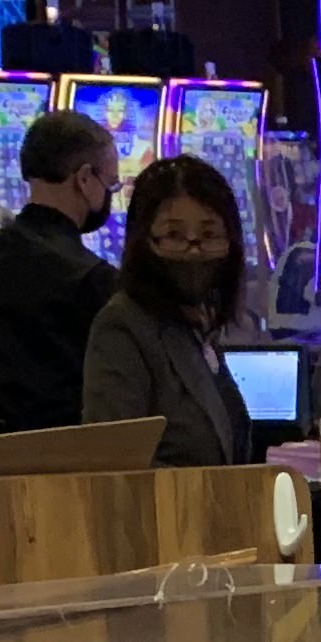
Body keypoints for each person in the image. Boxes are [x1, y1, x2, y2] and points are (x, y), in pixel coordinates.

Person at [0, 110, 119, 435]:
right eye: (111, 184)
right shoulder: (91, 277)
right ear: (84, 179)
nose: (109, 196)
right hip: (62, 462)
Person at [82, 154, 256, 466]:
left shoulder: (198, 325)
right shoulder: (123, 326)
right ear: (143, 241)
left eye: (209, 235)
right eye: (175, 235)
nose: (194, 250)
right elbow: (112, 465)